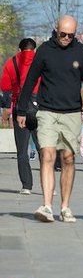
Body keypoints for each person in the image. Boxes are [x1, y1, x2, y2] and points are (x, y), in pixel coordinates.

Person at [17, 16, 83, 223]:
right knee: (47, 154)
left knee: (68, 159)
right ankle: (47, 206)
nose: (66, 38)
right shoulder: (45, 50)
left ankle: (65, 207)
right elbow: (30, 81)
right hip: (47, 112)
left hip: (72, 113)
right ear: (56, 30)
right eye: (62, 34)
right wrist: (21, 110)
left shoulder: (81, 51)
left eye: (70, 35)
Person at [1, 37, 41, 194]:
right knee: (43, 149)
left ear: (19, 50)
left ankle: (26, 186)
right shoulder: (41, 61)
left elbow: (4, 86)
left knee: (22, 150)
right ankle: (48, 184)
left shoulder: (12, 62)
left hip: (20, 109)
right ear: (34, 50)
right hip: (40, 108)